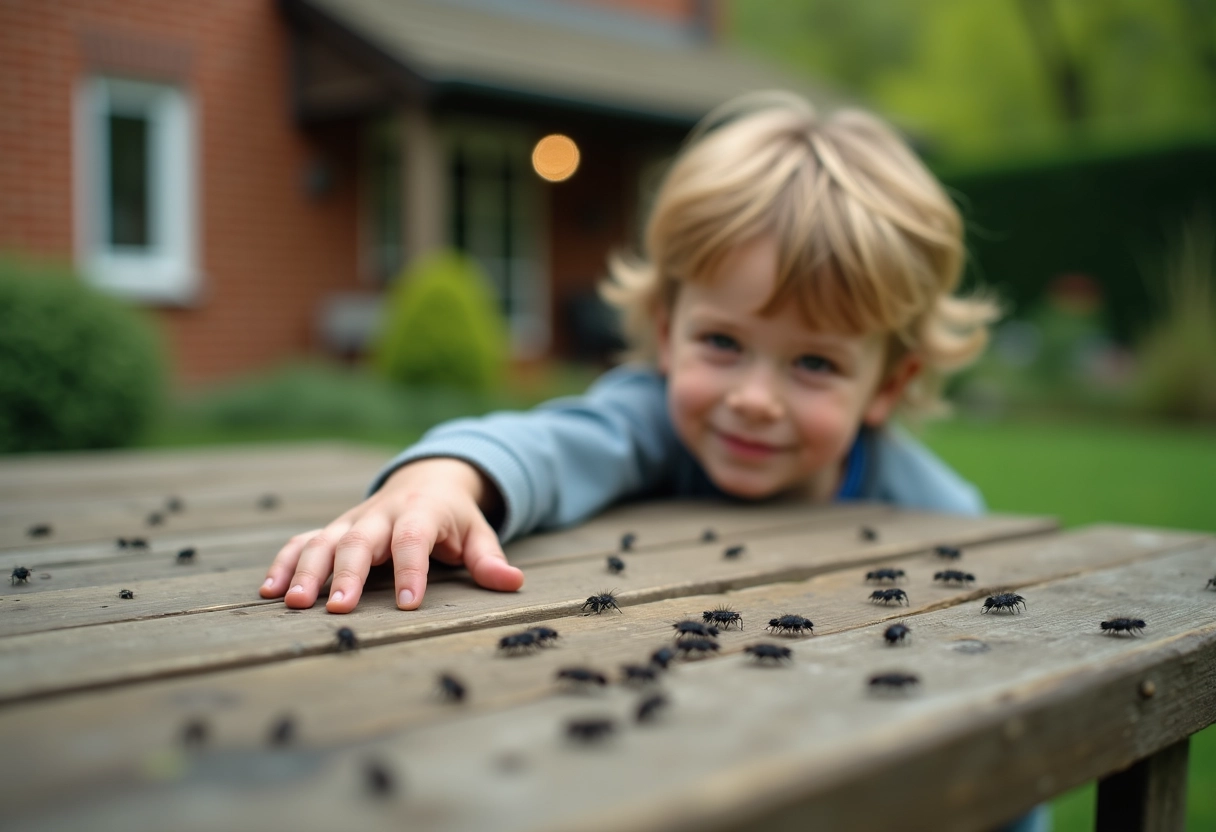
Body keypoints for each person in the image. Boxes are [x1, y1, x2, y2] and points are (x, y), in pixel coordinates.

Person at [260, 90, 998, 617]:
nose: (752, 398)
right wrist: (440, 484)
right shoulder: (650, 419)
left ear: (886, 385)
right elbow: (546, 444)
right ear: (666, 329)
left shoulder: (942, 515)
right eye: (722, 342)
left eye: (813, 364)